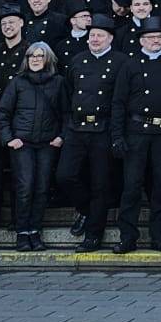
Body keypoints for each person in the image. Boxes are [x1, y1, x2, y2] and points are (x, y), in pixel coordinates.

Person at [59, 14, 125, 251]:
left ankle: (93, 235)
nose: (95, 39)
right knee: (65, 175)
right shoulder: (77, 60)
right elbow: (67, 94)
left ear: (110, 39)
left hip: (103, 129)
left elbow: (120, 101)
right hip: (76, 129)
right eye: (92, 35)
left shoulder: (120, 62)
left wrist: (117, 135)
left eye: (100, 35)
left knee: (100, 184)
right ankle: (86, 210)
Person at [112, 17, 161, 252]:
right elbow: (119, 102)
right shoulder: (130, 65)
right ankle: (127, 237)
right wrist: (117, 136)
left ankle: (159, 236)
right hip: (136, 132)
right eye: (151, 37)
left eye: (159, 37)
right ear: (141, 40)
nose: (155, 41)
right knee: (132, 187)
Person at [0, 42, 65, 251]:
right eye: (31, 56)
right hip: (22, 143)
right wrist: (9, 138)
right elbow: (2, 112)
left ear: (48, 59)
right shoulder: (17, 82)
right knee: (25, 187)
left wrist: (61, 136)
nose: (35, 59)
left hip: (47, 143)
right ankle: (22, 232)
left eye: (40, 56)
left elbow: (67, 113)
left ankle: (35, 230)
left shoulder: (59, 82)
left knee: (42, 188)